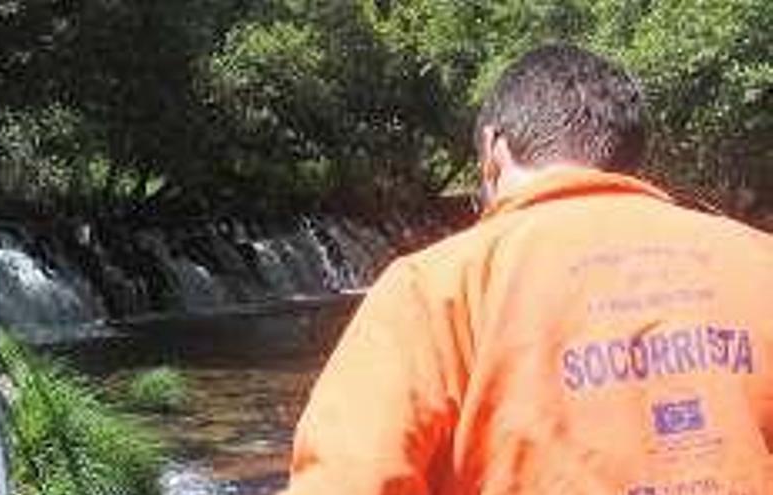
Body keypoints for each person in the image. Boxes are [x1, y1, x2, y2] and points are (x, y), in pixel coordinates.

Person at [279, 43, 773, 495]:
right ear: (628, 154)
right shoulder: (759, 260)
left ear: (495, 150)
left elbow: (346, 481)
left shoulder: (433, 290)